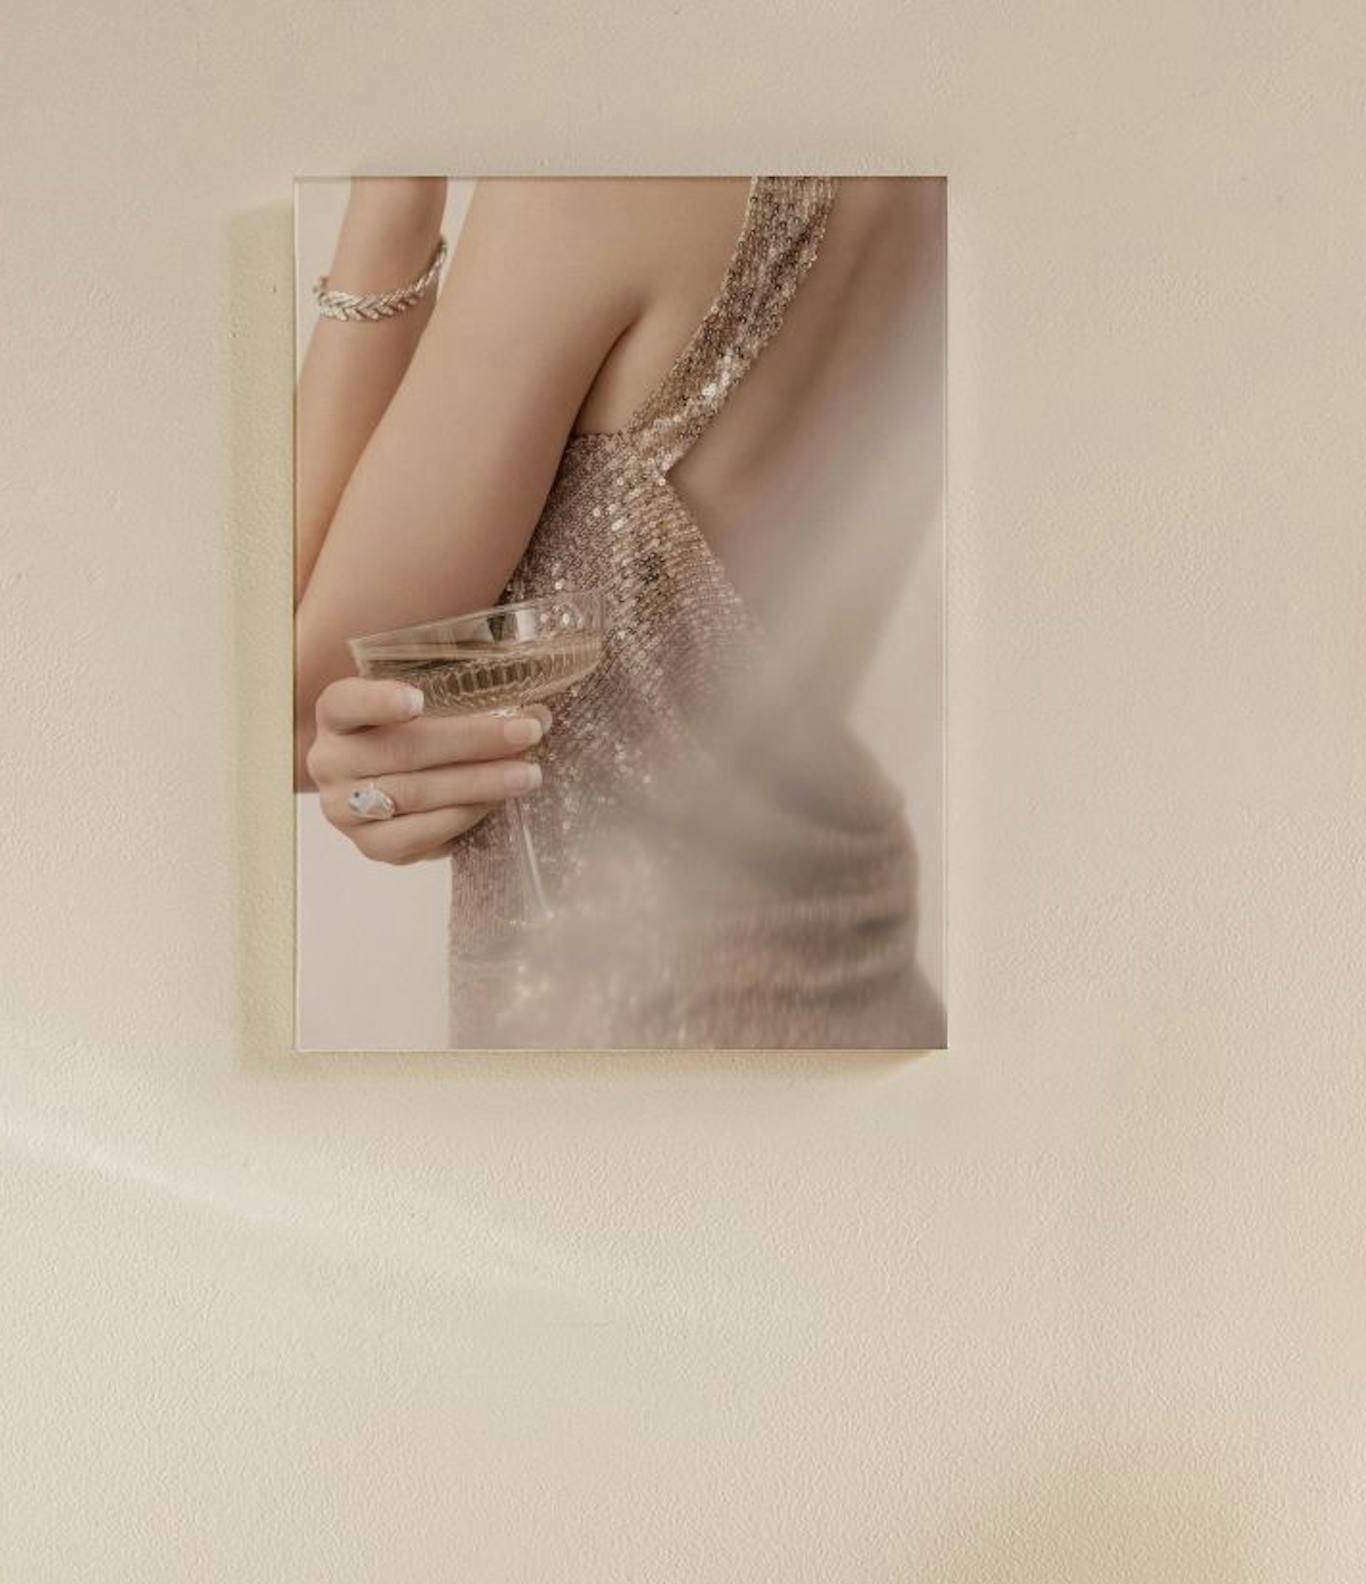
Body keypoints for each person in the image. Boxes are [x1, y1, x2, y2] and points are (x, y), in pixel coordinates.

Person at [292, 174, 945, 1047]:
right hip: (858, 995)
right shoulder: (917, 182)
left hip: (634, 1046)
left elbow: (290, 710)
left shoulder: (586, 192)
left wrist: (391, 196)